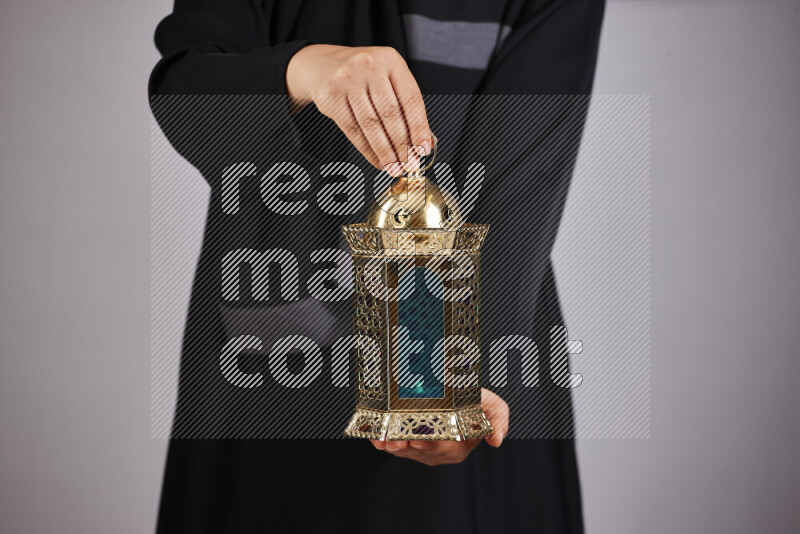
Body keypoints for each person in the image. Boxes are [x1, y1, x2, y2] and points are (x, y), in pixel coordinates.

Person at [150, 0, 604, 532]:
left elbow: (525, 176)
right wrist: (303, 70)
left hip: (483, 319)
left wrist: (466, 372)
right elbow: (184, 97)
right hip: (269, 353)